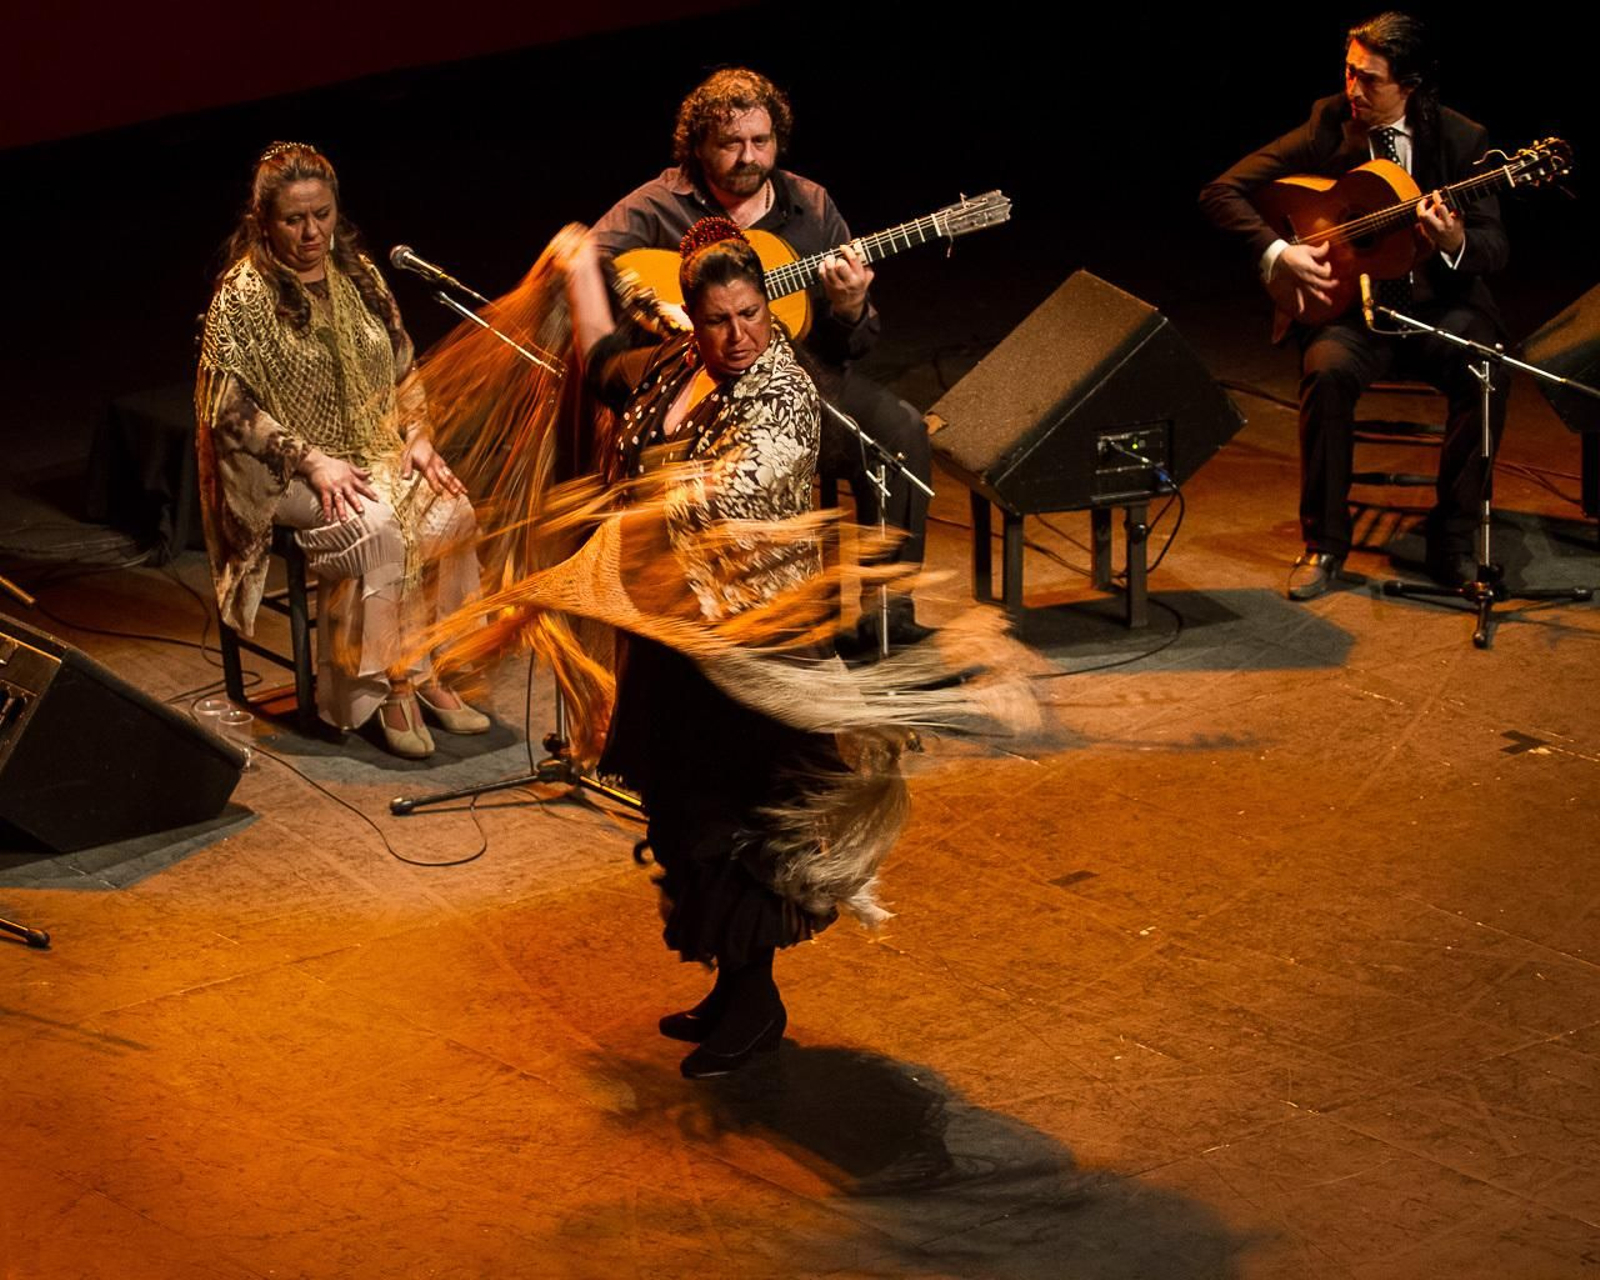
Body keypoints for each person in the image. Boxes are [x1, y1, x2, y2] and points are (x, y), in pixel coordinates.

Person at [561, 217, 883, 1078]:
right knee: (683, 811)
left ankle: (754, 1003)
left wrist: (614, 533)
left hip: (753, 645)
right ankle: (730, 991)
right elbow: (606, 375)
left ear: (770, 311)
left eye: (751, 316)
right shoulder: (676, 364)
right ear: (691, 319)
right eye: (717, 320)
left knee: (737, 824)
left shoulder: (782, 397)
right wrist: (580, 274)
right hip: (680, 636)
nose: (737, 336)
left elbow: (719, 500)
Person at [591, 66, 935, 653]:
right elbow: (591, 258)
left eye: (761, 141)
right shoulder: (659, 203)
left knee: (900, 430)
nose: (749, 157)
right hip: (700, 394)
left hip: (801, 380)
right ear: (697, 145)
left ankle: (888, 615)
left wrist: (851, 307)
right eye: (731, 143)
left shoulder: (811, 205)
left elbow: (852, 344)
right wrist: (667, 314)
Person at [1199, 12, 1509, 600]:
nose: (1353, 90)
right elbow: (1221, 191)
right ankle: (1324, 544)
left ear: (1410, 85)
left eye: (1370, 80)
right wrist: (1277, 253)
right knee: (1327, 373)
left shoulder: (1462, 139)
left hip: (1439, 310)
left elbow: (1493, 247)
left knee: (1485, 369)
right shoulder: (1327, 126)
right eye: (1349, 72)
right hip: (1350, 312)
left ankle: (1453, 542)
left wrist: (1453, 242)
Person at [195, 141, 489, 758]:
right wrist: (312, 460)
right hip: (280, 471)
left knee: (450, 509)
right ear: (263, 223)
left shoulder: (357, 274)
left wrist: (419, 437)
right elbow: (225, 409)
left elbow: (405, 366)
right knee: (376, 526)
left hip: (373, 448)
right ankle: (382, 687)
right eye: (294, 219)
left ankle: (424, 664)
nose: (311, 231)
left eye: (322, 215)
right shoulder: (241, 296)